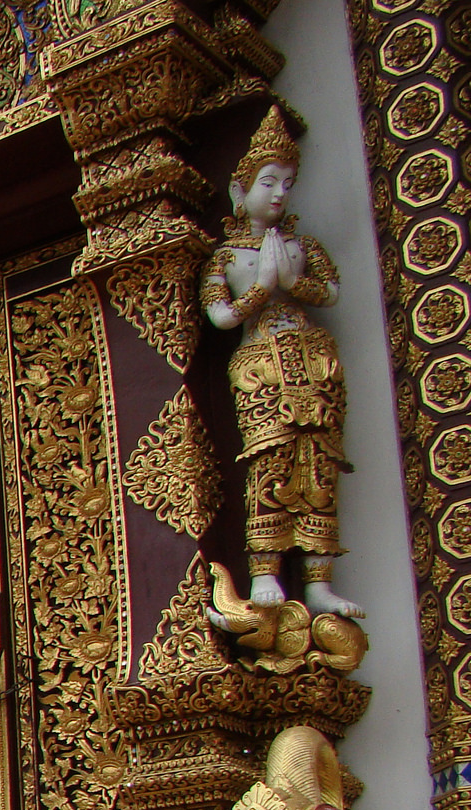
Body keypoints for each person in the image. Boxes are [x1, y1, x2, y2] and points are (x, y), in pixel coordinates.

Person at [202, 105, 363, 619]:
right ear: (239, 191)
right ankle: (266, 569)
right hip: (261, 367)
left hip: (313, 361)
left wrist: (293, 285)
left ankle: (318, 580)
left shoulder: (302, 246)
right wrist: (262, 291)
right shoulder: (227, 257)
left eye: (287, 183)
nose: (278, 193)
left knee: (318, 461)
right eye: (268, 181)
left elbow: (332, 291)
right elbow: (220, 316)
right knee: (268, 462)